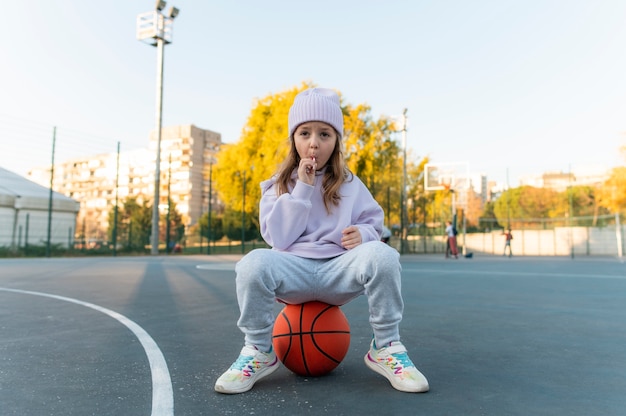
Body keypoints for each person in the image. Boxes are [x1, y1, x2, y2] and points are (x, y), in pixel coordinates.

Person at [214, 88, 429, 395]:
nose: (314, 142)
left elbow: (374, 225)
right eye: (305, 133)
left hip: (337, 270)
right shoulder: (276, 185)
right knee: (252, 264)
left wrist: (365, 234)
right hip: (294, 270)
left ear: (336, 141)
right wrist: (302, 188)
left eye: (324, 134)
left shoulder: (351, 184)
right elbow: (279, 239)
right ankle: (258, 350)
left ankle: (387, 346)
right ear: (294, 139)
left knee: (384, 256)